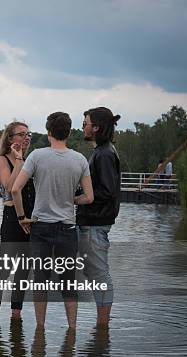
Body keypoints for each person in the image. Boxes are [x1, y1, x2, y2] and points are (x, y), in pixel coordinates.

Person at [11, 112, 94, 329]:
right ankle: (72, 330)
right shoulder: (80, 160)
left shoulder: (37, 156)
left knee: (41, 281)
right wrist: (70, 199)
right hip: (67, 228)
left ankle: (40, 330)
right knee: (69, 283)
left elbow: (15, 188)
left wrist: (21, 218)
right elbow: (89, 197)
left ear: (49, 133)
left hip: (41, 227)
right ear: (68, 132)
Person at [78, 107, 121, 328]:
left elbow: (108, 191)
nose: (82, 126)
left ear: (96, 128)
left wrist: (79, 198)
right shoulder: (101, 151)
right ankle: (101, 326)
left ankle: (103, 326)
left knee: (99, 274)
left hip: (95, 223)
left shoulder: (104, 154)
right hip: (92, 222)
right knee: (93, 272)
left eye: (85, 123)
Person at [0, 122, 35, 321]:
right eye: (21, 134)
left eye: (28, 134)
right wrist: (18, 161)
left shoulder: (29, 159)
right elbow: (9, 186)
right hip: (12, 219)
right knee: (5, 268)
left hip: (29, 218)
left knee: (24, 270)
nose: (26, 137)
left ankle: (16, 313)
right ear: (10, 138)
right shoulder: (1, 160)